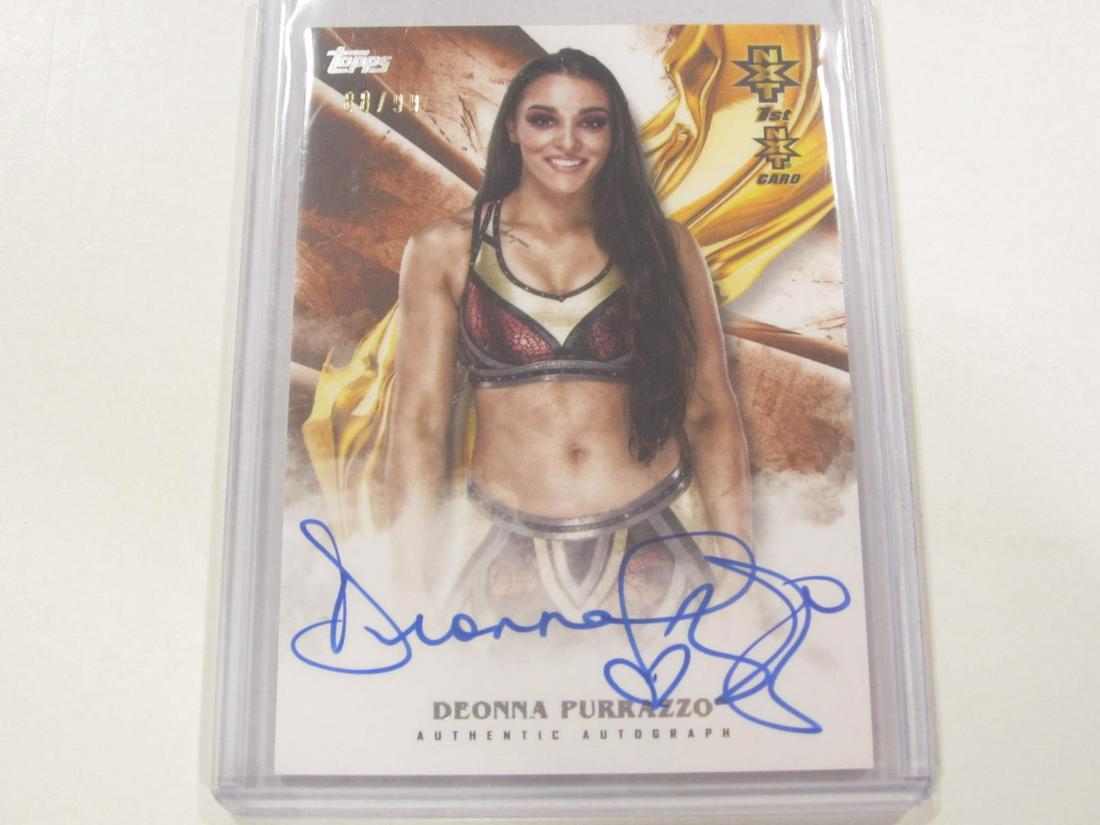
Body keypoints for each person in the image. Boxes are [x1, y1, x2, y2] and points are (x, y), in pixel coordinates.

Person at [383, 48, 751, 622]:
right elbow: (420, 422)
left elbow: (710, 411)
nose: (568, 141)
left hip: (662, 539)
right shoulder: (446, 247)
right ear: (512, 127)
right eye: (544, 119)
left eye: (592, 122)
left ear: (615, 135)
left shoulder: (666, 245)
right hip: (499, 546)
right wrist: (406, 580)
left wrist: (738, 572)